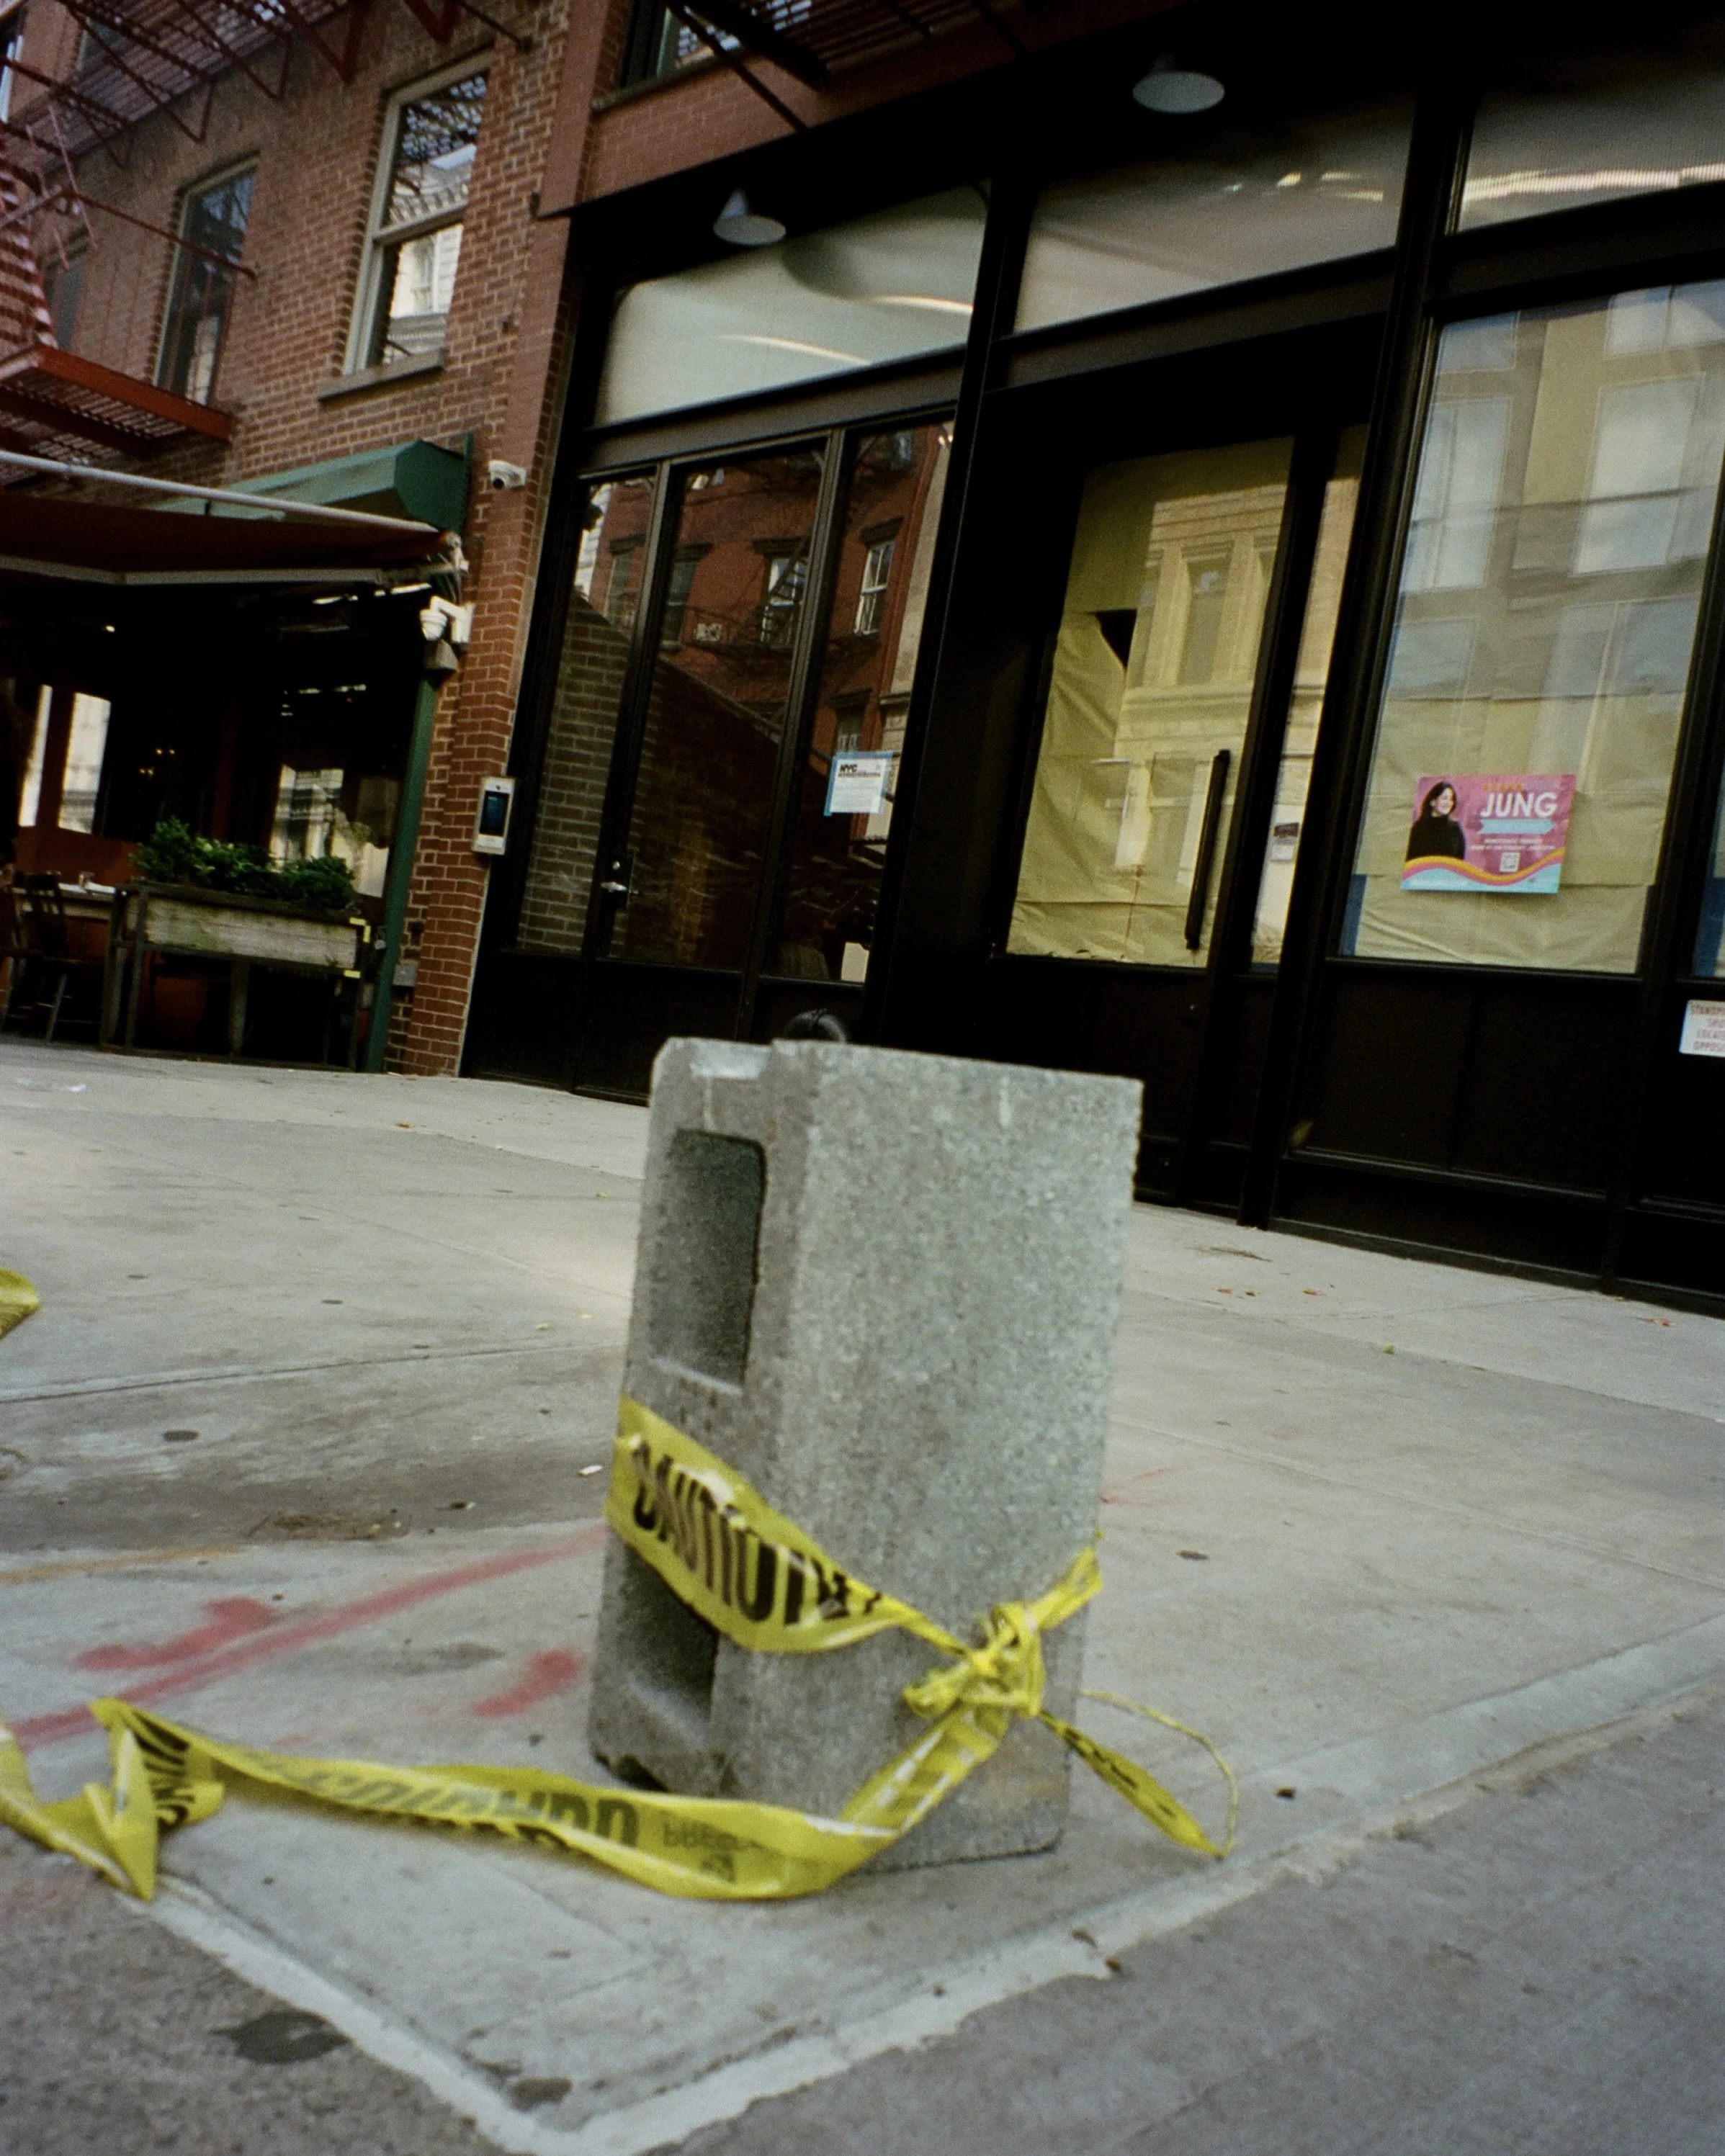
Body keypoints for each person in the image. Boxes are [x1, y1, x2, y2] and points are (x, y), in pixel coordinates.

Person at [1406, 779, 1466, 863]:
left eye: (1451, 799)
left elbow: (1459, 862)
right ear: (1433, 802)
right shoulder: (1418, 829)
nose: (1449, 803)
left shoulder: (1455, 829)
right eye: (1445, 798)